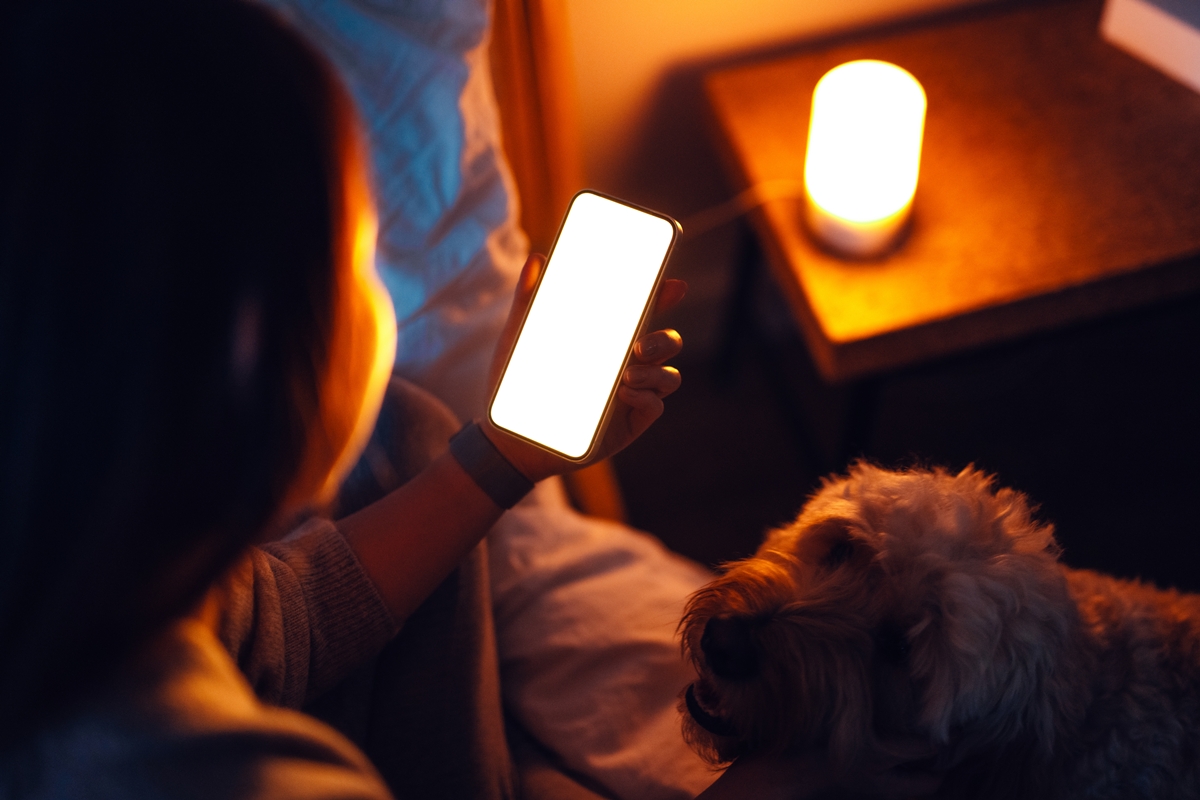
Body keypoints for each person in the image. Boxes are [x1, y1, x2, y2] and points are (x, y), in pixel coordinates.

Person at [0, 1, 940, 797]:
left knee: (415, 431)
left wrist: (502, 454)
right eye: (361, 251)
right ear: (250, 353)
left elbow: (269, 624)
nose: (378, 290)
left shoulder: (87, 562)